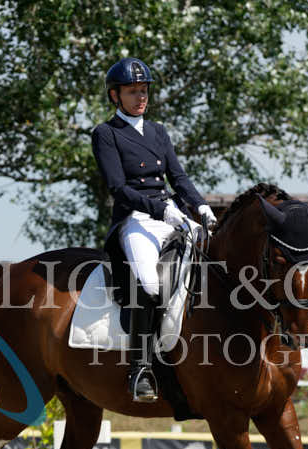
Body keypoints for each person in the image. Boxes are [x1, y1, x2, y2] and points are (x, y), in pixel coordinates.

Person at [91, 57, 216, 403]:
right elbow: (117, 187)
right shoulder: (106, 134)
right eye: (132, 91)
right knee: (149, 284)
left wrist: (201, 207)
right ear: (115, 96)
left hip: (171, 214)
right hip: (135, 219)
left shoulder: (158, 131)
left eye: (144, 90)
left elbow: (178, 177)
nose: (140, 97)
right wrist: (161, 210)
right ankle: (141, 369)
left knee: (210, 266)